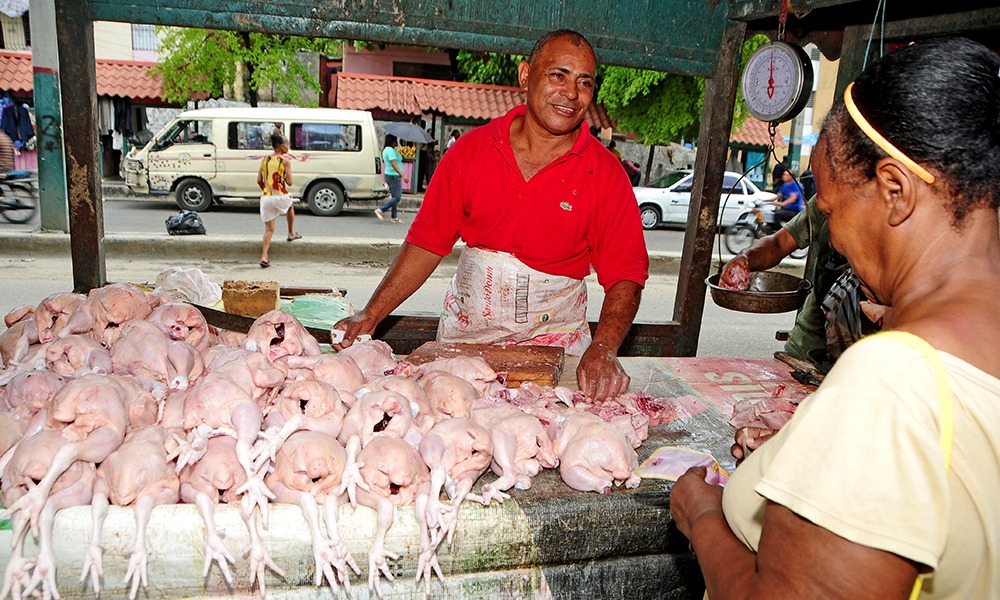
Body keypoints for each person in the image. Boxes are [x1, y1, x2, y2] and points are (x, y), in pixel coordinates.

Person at [672, 37, 1000, 599]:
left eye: (830, 209)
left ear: (895, 190)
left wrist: (703, 518)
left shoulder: (890, 384)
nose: (834, 236)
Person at [336, 29, 649, 402]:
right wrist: (370, 314)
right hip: (465, 346)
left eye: (585, 83)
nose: (571, 93)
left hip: (559, 351)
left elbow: (626, 276)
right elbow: (425, 245)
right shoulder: (470, 151)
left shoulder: (606, 173)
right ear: (525, 75)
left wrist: (605, 348)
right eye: (558, 75)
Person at [256, 133, 301, 268]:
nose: (288, 147)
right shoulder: (284, 160)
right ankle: (291, 233)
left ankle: (264, 256)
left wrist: (265, 189)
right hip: (280, 195)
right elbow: (290, 182)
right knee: (290, 206)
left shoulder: (265, 159)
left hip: (266, 197)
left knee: (269, 230)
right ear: (281, 146)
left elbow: (259, 180)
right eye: (287, 145)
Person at [375, 134, 409, 224]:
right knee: (397, 197)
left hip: (391, 175)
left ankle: (394, 217)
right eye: (396, 140)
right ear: (392, 141)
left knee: (395, 197)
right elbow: (394, 164)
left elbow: (397, 160)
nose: (397, 142)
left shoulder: (389, 150)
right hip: (393, 176)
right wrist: (402, 175)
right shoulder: (390, 151)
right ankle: (381, 210)